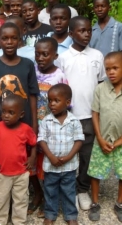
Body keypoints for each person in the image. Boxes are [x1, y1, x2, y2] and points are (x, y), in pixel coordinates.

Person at [57, 16, 106, 211]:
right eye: (81, 31)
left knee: (87, 154)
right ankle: (67, 191)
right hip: (68, 116)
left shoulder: (97, 56)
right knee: (66, 154)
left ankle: (82, 189)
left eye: (89, 30)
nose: (87, 34)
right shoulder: (63, 57)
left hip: (89, 116)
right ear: (71, 34)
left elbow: (101, 84)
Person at [29, 37, 68, 218]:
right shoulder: (32, 71)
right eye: (38, 54)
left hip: (50, 130)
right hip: (31, 124)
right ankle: (36, 194)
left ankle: (47, 198)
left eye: (45, 54)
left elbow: (67, 104)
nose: (41, 58)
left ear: (55, 55)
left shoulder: (59, 75)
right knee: (31, 163)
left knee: (46, 165)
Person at [38, 84, 84, 225]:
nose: (52, 104)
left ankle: (70, 215)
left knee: (69, 191)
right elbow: (41, 139)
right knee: (50, 190)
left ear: (67, 102)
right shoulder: (46, 121)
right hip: (51, 165)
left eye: (56, 100)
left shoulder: (74, 121)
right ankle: (50, 214)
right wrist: (51, 156)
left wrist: (69, 156)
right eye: (50, 100)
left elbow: (79, 140)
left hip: (69, 166)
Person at [0, 22, 39, 131]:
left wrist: (34, 124)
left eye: (14, 38)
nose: (9, 42)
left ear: (19, 40)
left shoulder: (28, 65)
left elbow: (33, 96)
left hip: (24, 125)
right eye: (5, 38)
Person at [0, 94, 37, 225]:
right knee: (1, 198)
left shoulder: (26, 129)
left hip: (21, 172)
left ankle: (19, 221)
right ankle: (0, 221)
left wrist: (32, 158)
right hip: (2, 172)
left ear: (21, 115)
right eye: (4, 111)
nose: (6, 115)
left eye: (11, 112)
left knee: (21, 198)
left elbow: (33, 144)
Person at [87, 51, 122, 222]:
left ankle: (120, 203)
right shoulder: (100, 89)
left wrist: (118, 142)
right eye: (107, 69)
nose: (111, 72)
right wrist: (100, 138)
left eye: (115, 68)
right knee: (95, 173)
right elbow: (95, 114)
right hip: (101, 140)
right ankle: (95, 203)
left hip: (121, 142)